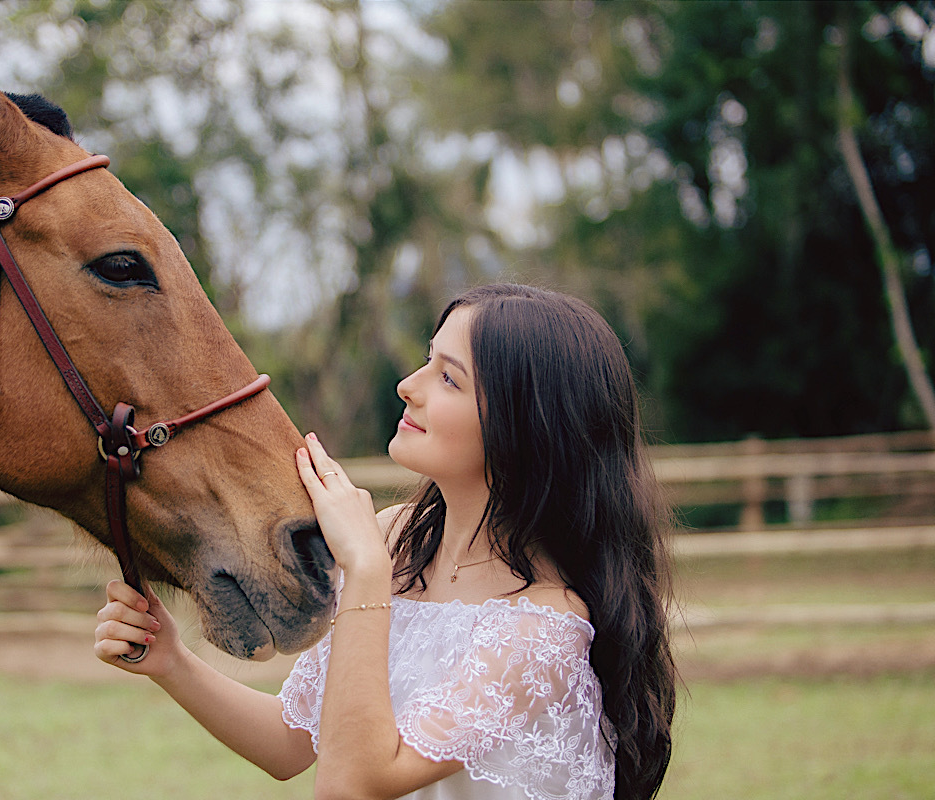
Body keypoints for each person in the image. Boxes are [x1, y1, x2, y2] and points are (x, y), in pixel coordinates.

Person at [95, 283, 677, 800]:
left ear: (524, 427)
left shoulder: (543, 630)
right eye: (428, 361)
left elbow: (351, 786)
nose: (408, 386)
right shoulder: (396, 541)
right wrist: (171, 661)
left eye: (449, 377)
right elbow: (290, 743)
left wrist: (367, 571)